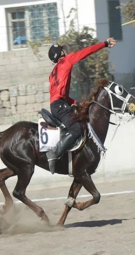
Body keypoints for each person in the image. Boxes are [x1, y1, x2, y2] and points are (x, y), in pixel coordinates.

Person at [46, 37, 116, 174]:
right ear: (60, 54)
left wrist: (76, 103)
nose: (64, 51)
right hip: (59, 106)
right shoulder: (67, 60)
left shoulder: (52, 73)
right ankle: (54, 153)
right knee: (77, 128)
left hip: (57, 105)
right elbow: (87, 51)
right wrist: (105, 44)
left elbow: (61, 95)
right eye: (62, 50)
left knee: (80, 122)